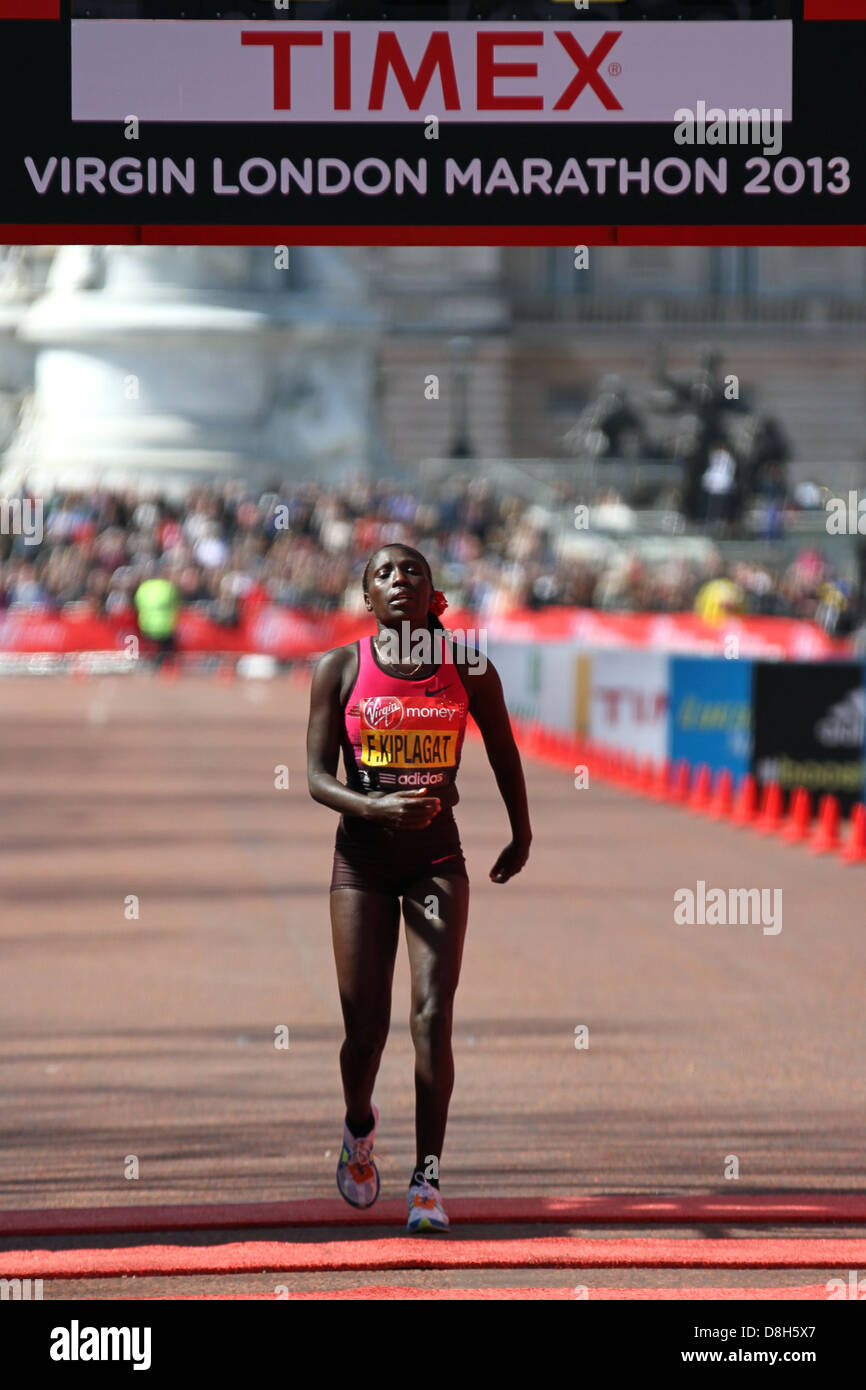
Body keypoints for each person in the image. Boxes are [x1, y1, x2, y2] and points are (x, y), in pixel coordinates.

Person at [306, 543, 531, 1232]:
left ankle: (428, 1179)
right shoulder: (340, 668)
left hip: (437, 857)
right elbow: (316, 778)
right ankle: (359, 1128)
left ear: (432, 590)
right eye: (383, 574)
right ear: (367, 598)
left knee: (432, 1016)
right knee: (365, 1030)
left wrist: (521, 833)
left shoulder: (467, 667)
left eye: (412, 572)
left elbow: (501, 746)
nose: (398, 580)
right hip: (363, 862)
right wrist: (375, 807)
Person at [133, 563, 181, 669]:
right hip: (166, 627)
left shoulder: (143, 587)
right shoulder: (168, 586)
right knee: (167, 655)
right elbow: (177, 604)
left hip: (147, 626)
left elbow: (137, 604)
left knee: (150, 654)